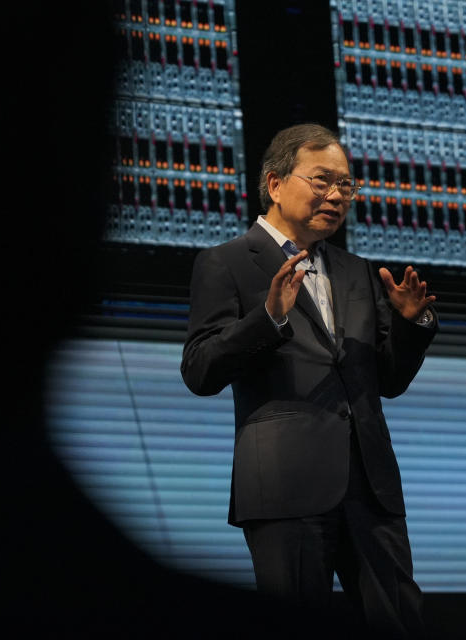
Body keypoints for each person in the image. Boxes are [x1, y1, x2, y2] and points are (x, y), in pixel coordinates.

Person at [181, 123, 438, 637]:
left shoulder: (359, 271)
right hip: (284, 486)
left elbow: (386, 380)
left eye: (347, 186)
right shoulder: (227, 262)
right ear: (275, 184)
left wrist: (412, 326)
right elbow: (201, 370)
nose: (338, 196)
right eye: (323, 181)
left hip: (370, 485)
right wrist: (269, 317)